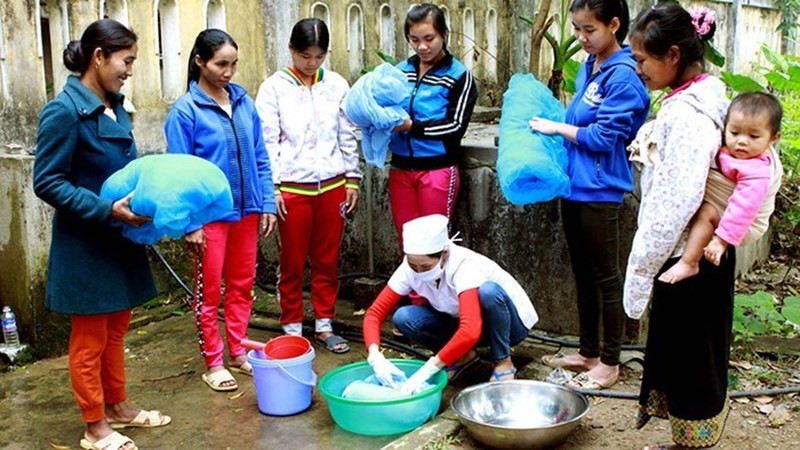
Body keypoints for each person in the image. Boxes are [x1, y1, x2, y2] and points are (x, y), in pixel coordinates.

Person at [33, 19, 171, 450]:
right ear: (99, 57)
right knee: (89, 339)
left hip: (119, 236)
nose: (130, 70)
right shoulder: (64, 111)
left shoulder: (114, 105)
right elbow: (47, 181)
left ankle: (118, 407)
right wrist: (103, 208)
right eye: (126, 61)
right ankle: (94, 426)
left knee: (116, 329)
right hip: (87, 242)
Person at [623, 5, 734, 449]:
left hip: (686, 257)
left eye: (641, 60)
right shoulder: (707, 94)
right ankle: (687, 440)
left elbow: (675, 201)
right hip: (702, 250)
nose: (638, 69)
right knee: (693, 355)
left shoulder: (686, 116)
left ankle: (692, 443)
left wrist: (642, 267)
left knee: (691, 359)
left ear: (672, 55)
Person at [529, 0, 649, 390]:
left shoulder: (625, 76)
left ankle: (610, 362)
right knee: (582, 273)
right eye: (576, 29)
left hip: (602, 189)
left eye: (589, 30)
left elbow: (602, 138)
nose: (581, 38)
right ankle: (588, 352)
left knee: (606, 277)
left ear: (614, 25)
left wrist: (555, 129)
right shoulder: (589, 66)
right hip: (574, 185)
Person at [164, 29, 277, 392]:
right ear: (200, 61)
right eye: (221, 64)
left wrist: (267, 202)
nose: (228, 72)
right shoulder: (185, 112)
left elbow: (261, 156)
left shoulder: (243, 102)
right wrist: (191, 223)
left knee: (243, 287)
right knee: (209, 292)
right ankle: (213, 362)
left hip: (246, 211)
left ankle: (238, 351)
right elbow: (179, 172)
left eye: (233, 64)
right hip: (209, 219)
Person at [254, 18, 361, 354]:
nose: (311, 63)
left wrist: (353, 178)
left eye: (318, 56)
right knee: (293, 261)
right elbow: (267, 142)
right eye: (304, 56)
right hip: (292, 189)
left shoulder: (338, 85)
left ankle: (325, 324)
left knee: (328, 259)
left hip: (332, 186)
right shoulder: (273, 88)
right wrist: (272, 190)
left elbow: (347, 133)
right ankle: (292, 327)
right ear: (291, 50)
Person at [363, 214, 538, 393]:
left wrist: (430, 368)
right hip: (467, 324)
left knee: (488, 292)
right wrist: (375, 356)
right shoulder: (408, 269)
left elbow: (470, 330)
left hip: (507, 326)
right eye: (413, 265)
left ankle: (503, 361)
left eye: (425, 267)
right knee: (404, 317)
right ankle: (463, 357)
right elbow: (374, 313)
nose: (418, 271)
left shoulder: (464, 265)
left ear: (444, 254)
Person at [658, 92, 783, 283]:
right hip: (730, 214)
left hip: (743, 225)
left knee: (706, 212)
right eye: (734, 133)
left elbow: (744, 208)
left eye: (754, 136)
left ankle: (689, 262)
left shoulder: (757, 171)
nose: (742, 141)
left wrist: (721, 240)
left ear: (773, 138)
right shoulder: (732, 150)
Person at [388, 3, 479, 248]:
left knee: (434, 245)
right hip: (400, 169)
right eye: (414, 39)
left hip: (437, 170)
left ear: (444, 34)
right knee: (407, 241)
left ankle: (439, 288)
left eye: (429, 38)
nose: (422, 46)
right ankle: (414, 288)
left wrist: (411, 127)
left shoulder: (459, 75)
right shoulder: (399, 72)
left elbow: (455, 126)